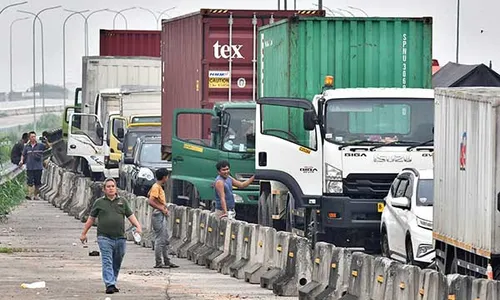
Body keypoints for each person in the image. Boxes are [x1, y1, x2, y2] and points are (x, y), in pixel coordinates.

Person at [80, 178, 142, 294]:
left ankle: (113, 281)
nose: (111, 188)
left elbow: (130, 215)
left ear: (116, 188)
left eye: (112, 186)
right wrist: (84, 233)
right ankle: (110, 284)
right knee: (107, 260)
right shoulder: (99, 202)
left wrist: (138, 226)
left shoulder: (122, 202)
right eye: (108, 186)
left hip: (120, 238)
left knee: (117, 261)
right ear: (104, 189)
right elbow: (91, 219)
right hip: (104, 237)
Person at [147, 168, 179, 269]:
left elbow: (149, 195)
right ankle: (158, 262)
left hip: (161, 214)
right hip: (158, 214)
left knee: (164, 239)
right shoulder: (156, 187)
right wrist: (162, 208)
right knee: (160, 239)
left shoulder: (157, 187)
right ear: (165, 177)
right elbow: (150, 201)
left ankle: (167, 261)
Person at [18, 131, 46, 200]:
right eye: (32, 137)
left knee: (37, 182)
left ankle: (36, 195)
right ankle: (30, 195)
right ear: (29, 138)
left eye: (34, 136)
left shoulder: (40, 145)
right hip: (30, 167)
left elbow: (48, 147)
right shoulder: (27, 147)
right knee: (30, 182)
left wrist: (46, 141)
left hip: (38, 167)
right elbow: (23, 155)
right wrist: (21, 161)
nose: (33, 138)